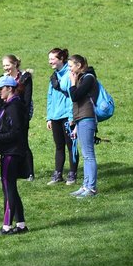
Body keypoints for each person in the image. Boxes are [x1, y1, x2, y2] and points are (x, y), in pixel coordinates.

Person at [0, 76, 30, 235]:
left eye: (1, 89)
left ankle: (7, 226)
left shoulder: (14, 106)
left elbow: (16, 132)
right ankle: (21, 225)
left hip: (12, 152)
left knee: (8, 189)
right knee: (12, 189)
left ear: (9, 88)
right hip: (10, 151)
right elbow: (8, 126)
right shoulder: (9, 105)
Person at [0, 55, 34, 181]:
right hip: (5, 114)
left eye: (8, 65)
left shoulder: (25, 77)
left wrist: (24, 118)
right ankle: (8, 171)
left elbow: (27, 100)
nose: (6, 68)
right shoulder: (3, 79)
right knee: (6, 142)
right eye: (4, 65)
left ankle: (29, 172)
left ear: (15, 64)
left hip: (19, 113)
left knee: (23, 142)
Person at [68, 54, 99, 198]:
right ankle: (86, 185)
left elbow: (75, 96)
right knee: (86, 154)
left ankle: (91, 188)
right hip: (81, 118)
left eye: (71, 66)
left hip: (87, 118)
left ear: (79, 65)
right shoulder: (83, 77)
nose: (70, 70)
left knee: (88, 155)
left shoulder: (89, 78)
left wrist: (73, 83)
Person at [45, 48, 78, 186]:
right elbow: (50, 97)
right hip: (55, 116)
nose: (50, 61)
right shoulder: (53, 77)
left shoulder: (69, 74)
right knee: (59, 146)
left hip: (67, 116)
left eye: (52, 59)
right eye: (49, 59)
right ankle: (58, 174)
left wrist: (72, 117)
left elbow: (73, 97)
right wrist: (49, 117)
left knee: (71, 146)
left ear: (61, 59)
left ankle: (72, 174)